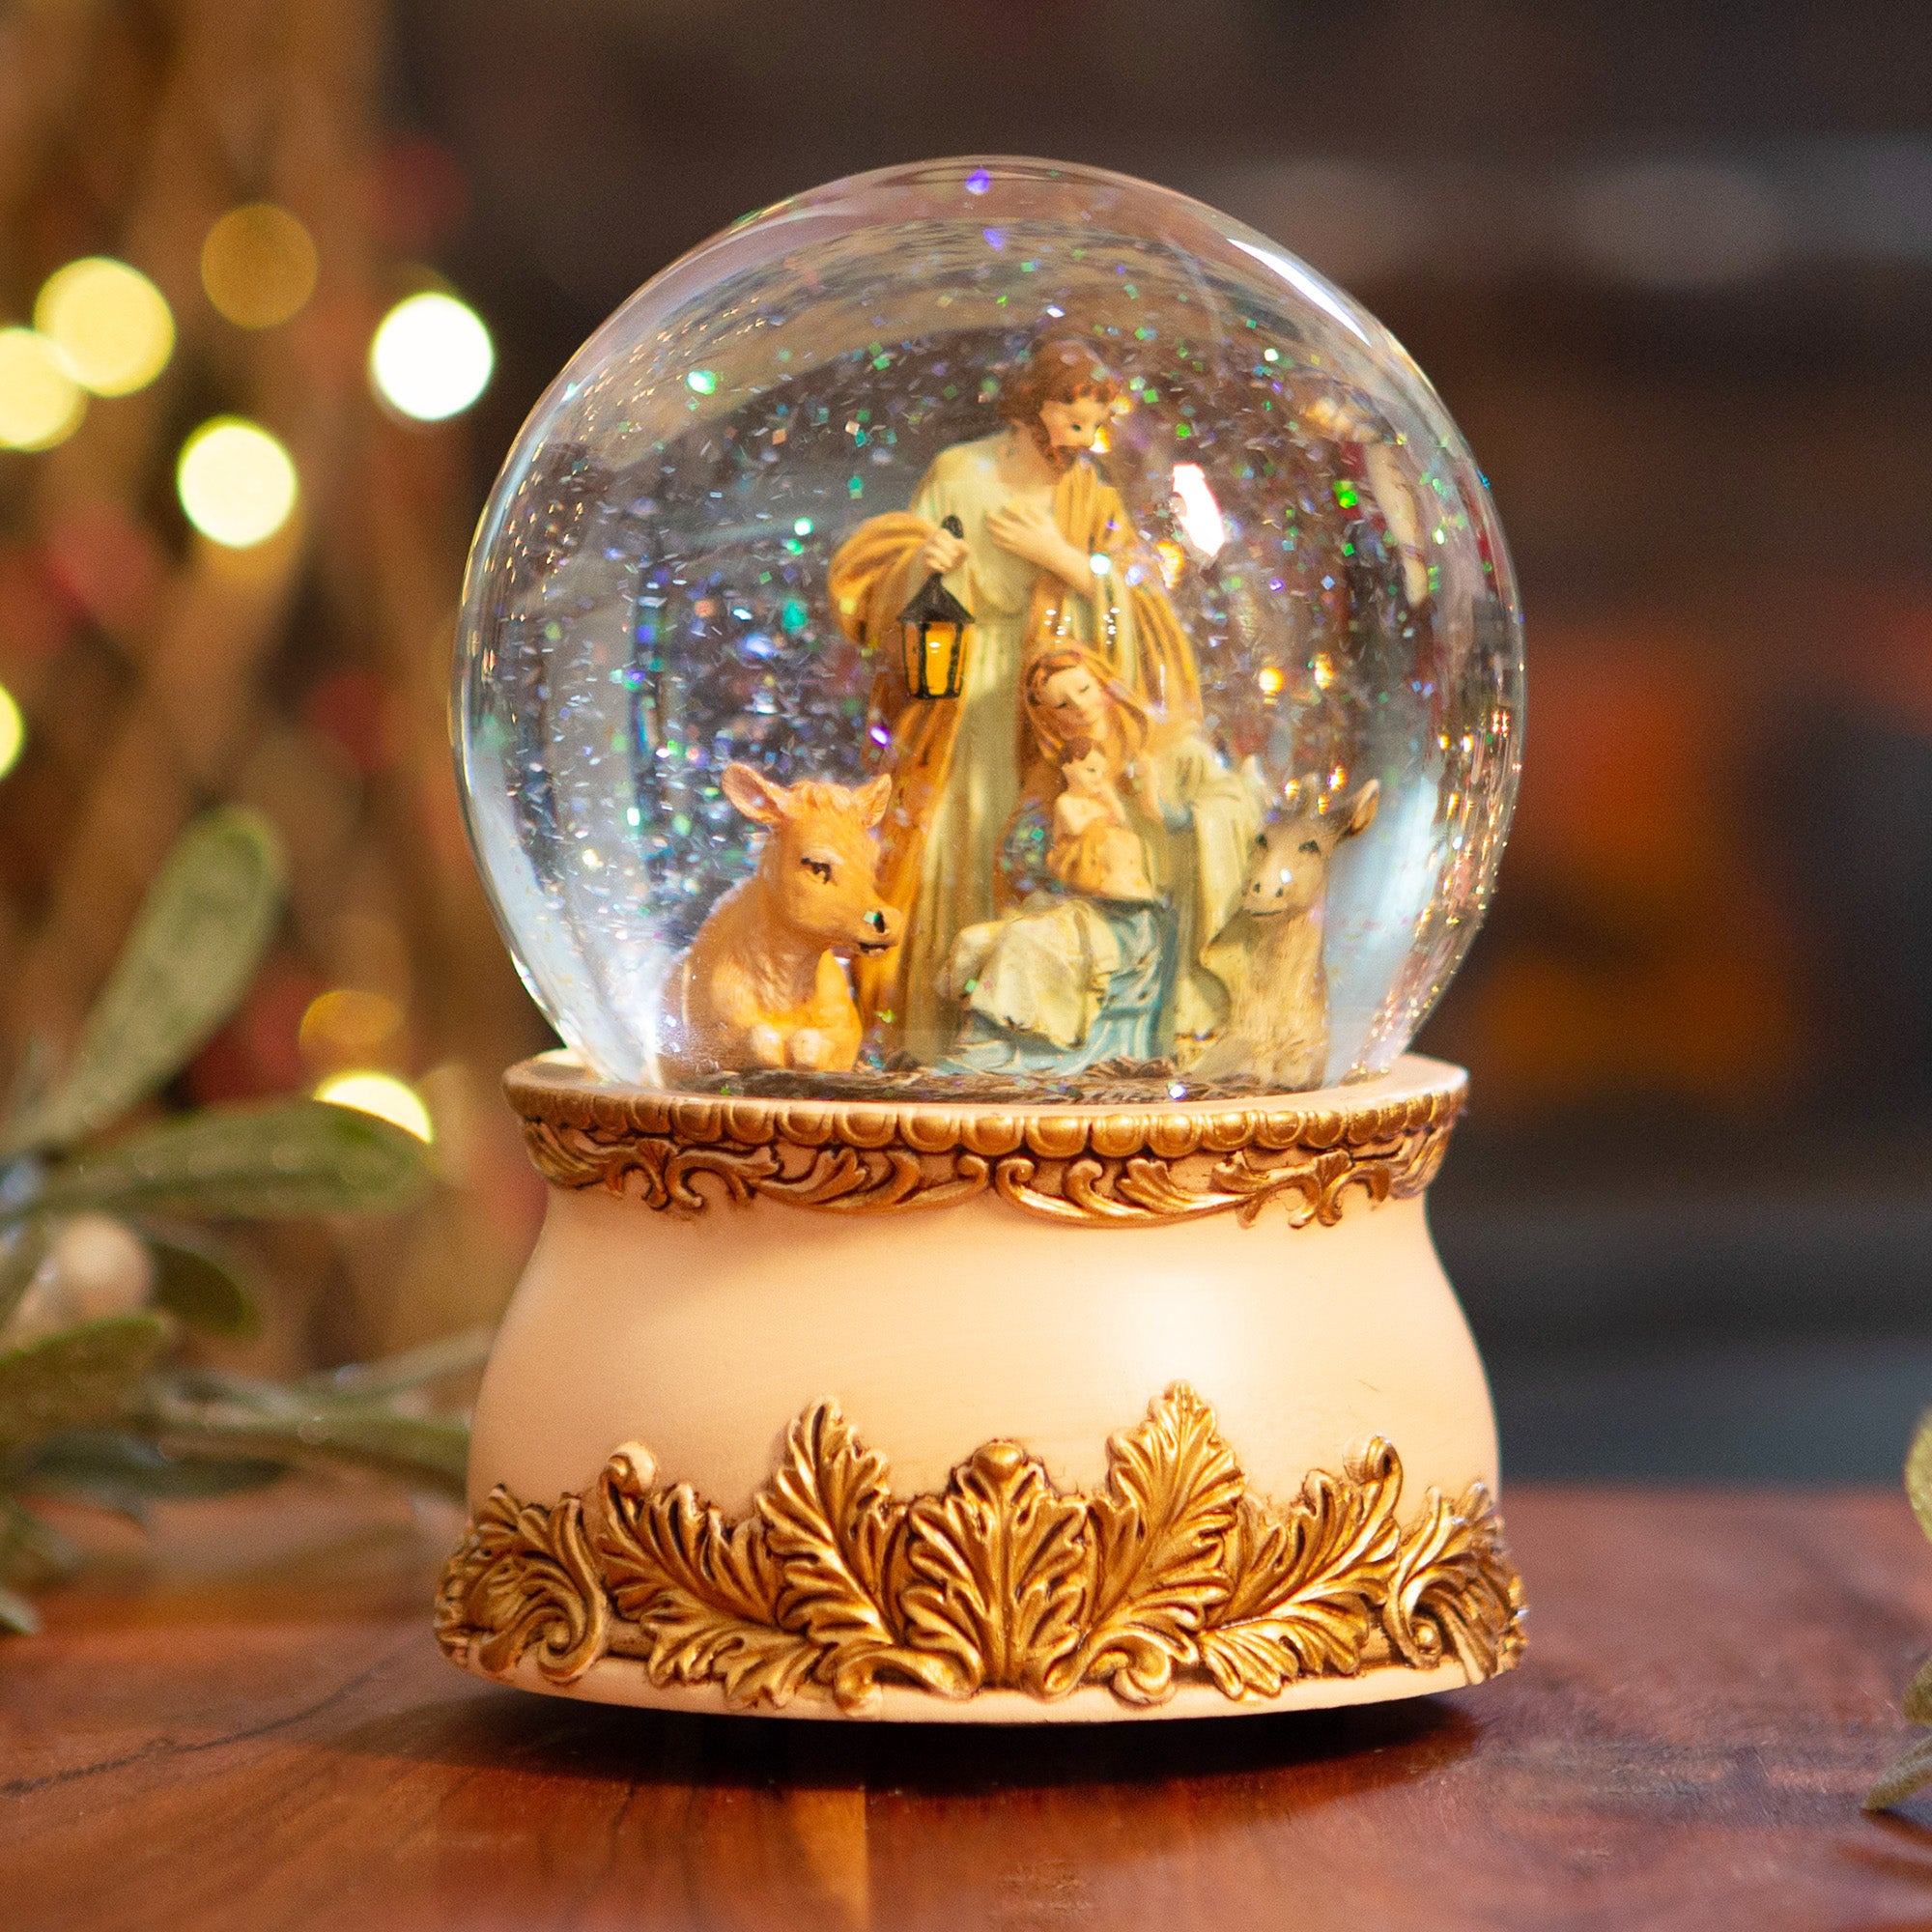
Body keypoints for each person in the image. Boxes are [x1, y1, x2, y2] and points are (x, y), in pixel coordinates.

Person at [828, 336, 1201, 1063]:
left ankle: (1024, 1027)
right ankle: (927, 1027)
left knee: (1030, 835)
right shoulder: (957, 475)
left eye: (1096, 425)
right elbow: (893, 597)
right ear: (1033, 409)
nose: (1084, 440)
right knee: (950, 832)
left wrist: (1067, 562)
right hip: (961, 697)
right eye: (1073, 420)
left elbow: (1145, 608)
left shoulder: (1093, 498)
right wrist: (922, 566)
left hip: (1046, 712)